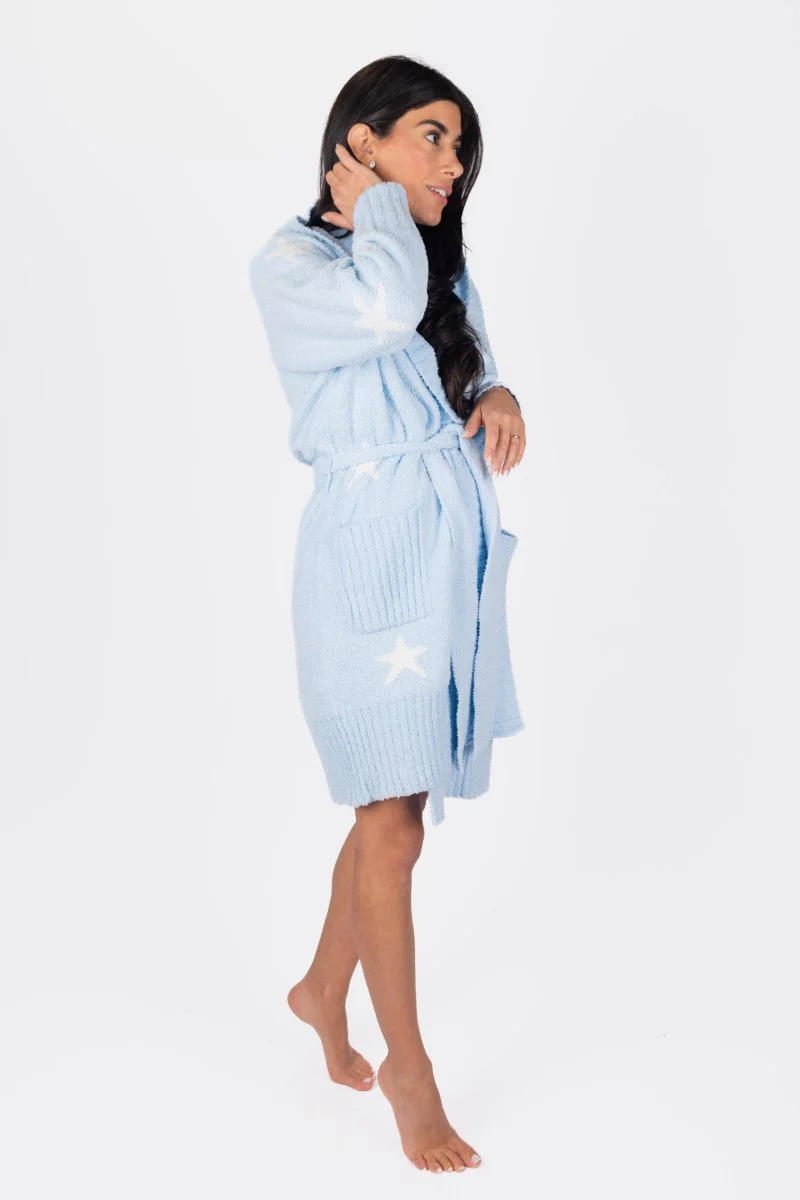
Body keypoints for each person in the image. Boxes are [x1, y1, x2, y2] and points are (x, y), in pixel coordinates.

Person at [249, 55, 527, 1174]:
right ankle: (409, 1071)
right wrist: (374, 209)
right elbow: (382, 309)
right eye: (430, 137)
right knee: (392, 824)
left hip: (435, 557)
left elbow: (460, 355)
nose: (452, 165)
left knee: (391, 811)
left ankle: (323, 988)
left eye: (460, 147)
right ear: (359, 140)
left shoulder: (425, 258)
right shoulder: (293, 265)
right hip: (364, 565)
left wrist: (496, 391)